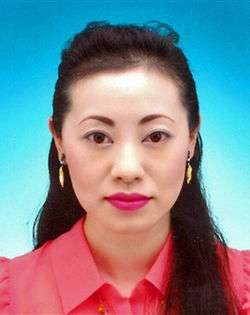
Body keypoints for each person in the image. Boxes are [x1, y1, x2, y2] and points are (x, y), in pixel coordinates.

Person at [0, 20, 249, 315]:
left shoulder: (241, 287)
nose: (128, 169)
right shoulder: (10, 294)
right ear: (60, 140)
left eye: (156, 136)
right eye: (98, 137)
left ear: (191, 138)